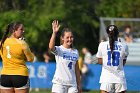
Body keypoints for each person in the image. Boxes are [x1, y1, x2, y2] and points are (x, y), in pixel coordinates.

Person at [0, 22, 34, 93]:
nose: (23, 31)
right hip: (20, 75)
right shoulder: (22, 43)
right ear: (14, 31)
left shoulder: (2, 42)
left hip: (5, 76)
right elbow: (31, 59)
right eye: (21, 29)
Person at [49, 20, 81, 93]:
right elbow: (51, 47)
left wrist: (79, 85)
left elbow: (77, 70)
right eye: (67, 37)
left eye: (71, 37)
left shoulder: (75, 52)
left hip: (72, 85)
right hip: (59, 84)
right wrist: (54, 33)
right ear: (62, 38)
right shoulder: (59, 49)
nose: (70, 39)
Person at [96, 25, 129, 93]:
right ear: (118, 33)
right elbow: (123, 63)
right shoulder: (124, 46)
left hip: (106, 79)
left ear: (107, 33)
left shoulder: (102, 45)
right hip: (120, 79)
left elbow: (99, 61)